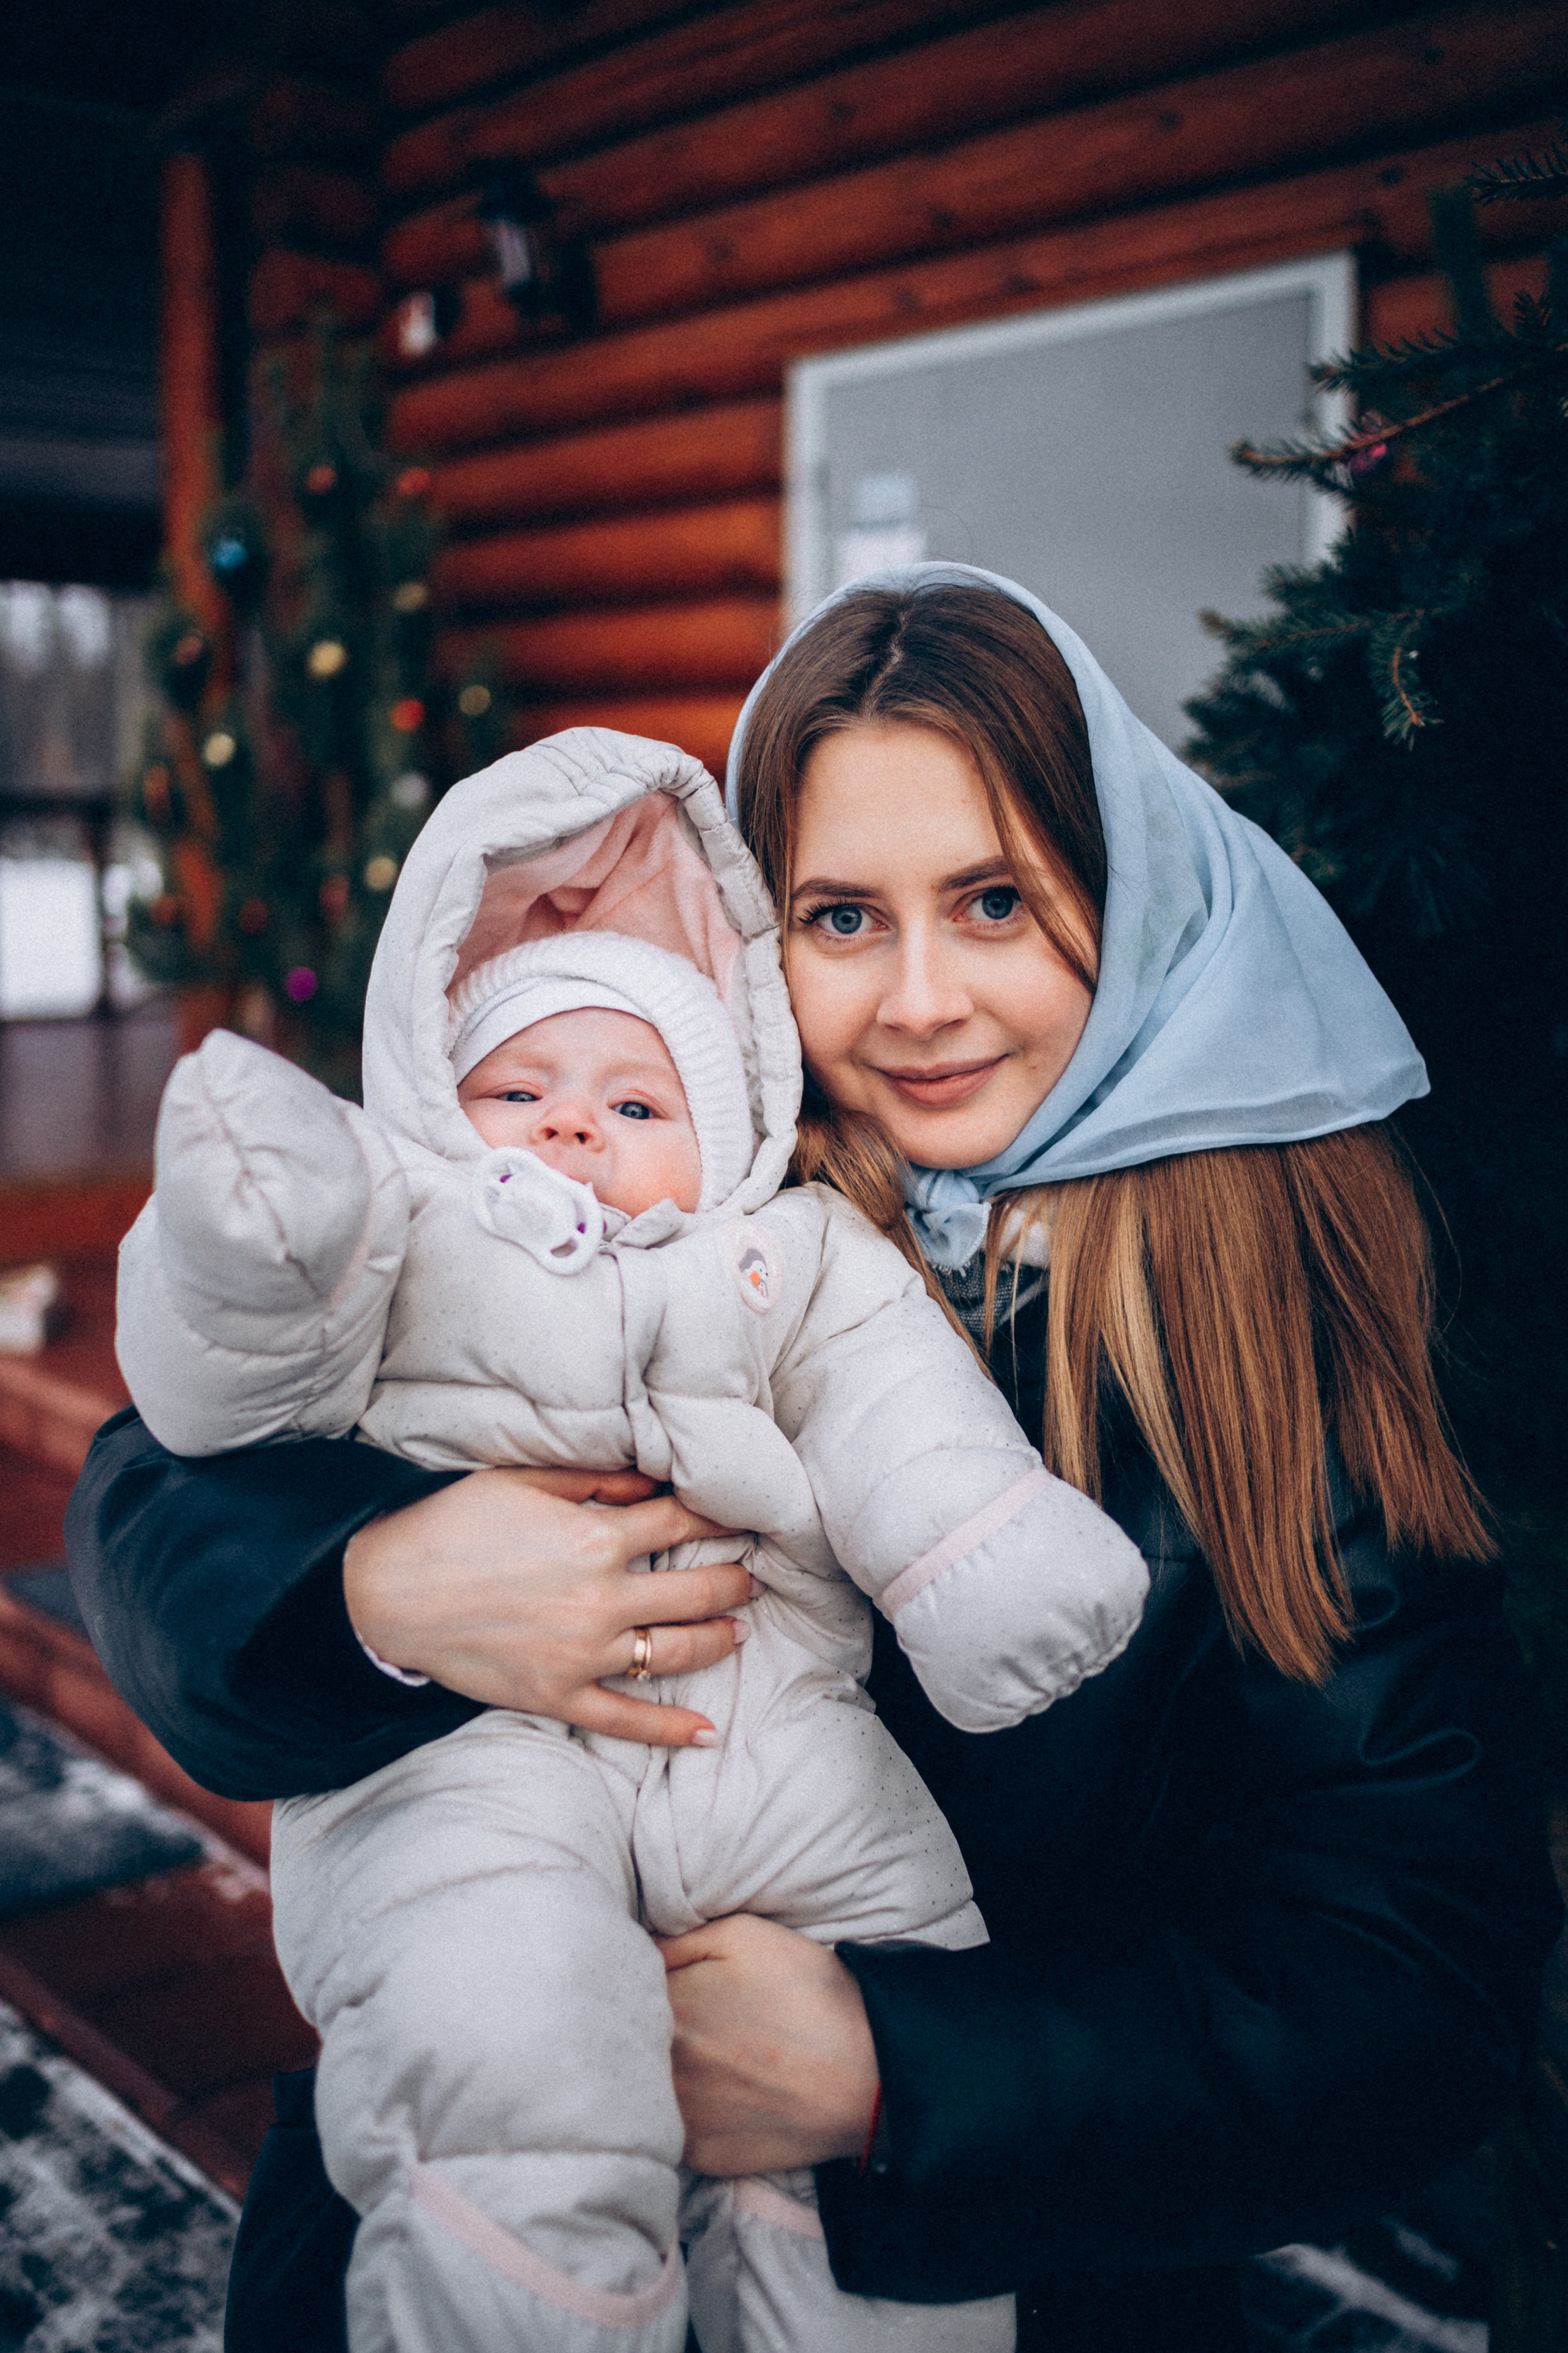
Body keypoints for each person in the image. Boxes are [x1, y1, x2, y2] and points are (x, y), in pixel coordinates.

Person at [68, 568, 1560, 2353]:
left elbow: (1412, 1980)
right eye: (845, 916)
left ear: (1121, 895)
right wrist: (376, 1585)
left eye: (995, 900)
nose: (920, 998)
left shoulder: (1268, 1328)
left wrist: (888, 2068)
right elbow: (152, 1484)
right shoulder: (628, 1149)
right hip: (469, 2183)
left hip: (979, 2262)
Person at [112, 724, 1147, 2353]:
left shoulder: (785, 1246)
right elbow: (205, 1418)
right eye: (517, 1088)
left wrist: (991, 1555)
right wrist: (365, 1551)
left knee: (891, 1960)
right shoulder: (415, 1220)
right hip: (476, 1760)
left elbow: (893, 1404)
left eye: (634, 1097)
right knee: (501, 2015)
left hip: (778, 1738)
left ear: (726, 1111)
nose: (572, 1128)